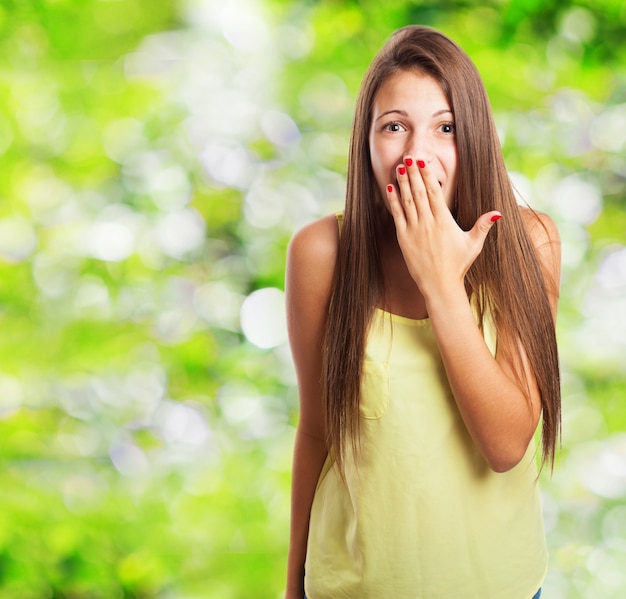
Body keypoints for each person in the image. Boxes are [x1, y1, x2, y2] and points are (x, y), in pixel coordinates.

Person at [284, 25, 561, 599]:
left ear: (475, 139)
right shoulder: (319, 254)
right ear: (366, 141)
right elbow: (316, 431)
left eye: (445, 127)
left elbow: (508, 444)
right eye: (394, 127)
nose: (417, 155)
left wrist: (440, 282)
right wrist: (294, 586)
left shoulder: (528, 243)